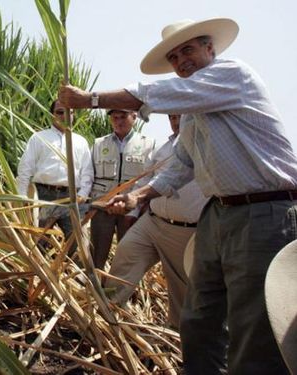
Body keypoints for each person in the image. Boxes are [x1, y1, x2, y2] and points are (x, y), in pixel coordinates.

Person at [58, 17, 296, 375]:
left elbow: (154, 94)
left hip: (264, 212)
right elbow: (181, 163)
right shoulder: (191, 117)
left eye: (188, 49)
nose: (181, 60)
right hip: (219, 216)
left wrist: (90, 99)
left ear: (209, 49)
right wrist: (139, 196)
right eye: (173, 56)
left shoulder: (232, 75)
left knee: (253, 326)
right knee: (199, 317)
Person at [105, 114, 207, 329]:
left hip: (185, 231)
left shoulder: (206, 146)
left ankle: (176, 340)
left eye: (179, 115)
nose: (175, 120)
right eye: (171, 116)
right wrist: (133, 214)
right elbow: (145, 179)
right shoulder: (163, 148)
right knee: (125, 255)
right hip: (152, 222)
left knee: (182, 288)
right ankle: (107, 317)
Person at [17, 99, 93, 252]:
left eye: (69, 112)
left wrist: (83, 194)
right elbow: (25, 168)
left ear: (74, 115)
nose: (64, 116)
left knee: (78, 245)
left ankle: (74, 275)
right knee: (37, 243)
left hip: (72, 198)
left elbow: (87, 172)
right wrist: (22, 198)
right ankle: (35, 275)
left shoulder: (81, 142)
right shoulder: (39, 138)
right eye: (60, 112)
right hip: (44, 197)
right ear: (52, 115)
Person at [89, 109, 154, 269]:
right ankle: (93, 290)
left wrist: (139, 207)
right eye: (114, 117)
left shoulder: (148, 144)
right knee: (96, 255)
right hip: (103, 210)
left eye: (123, 116)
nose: (118, 121)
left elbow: (151, 178)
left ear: (134, 117)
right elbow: (89, 175)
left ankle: (125, 292)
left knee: (129, 257)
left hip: (131, 211)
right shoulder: (98, 144)